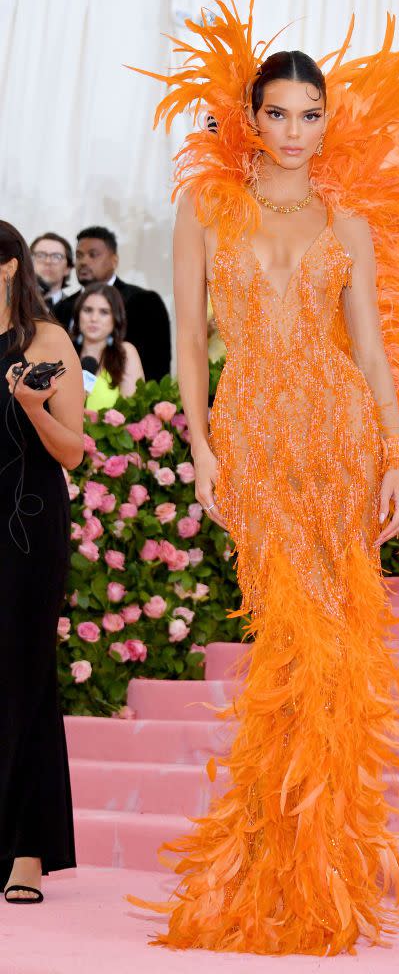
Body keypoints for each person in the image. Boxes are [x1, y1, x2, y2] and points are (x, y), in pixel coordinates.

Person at [125, 0, 399, 955]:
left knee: (340, 642)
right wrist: (197, 444)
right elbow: (189, 341)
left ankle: (318, 876)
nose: (291, 132)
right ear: (249, 115)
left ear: (327, 122)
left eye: (308, 115)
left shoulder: (344, 220)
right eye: (275, 113)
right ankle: (271, 866)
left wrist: (397, 454)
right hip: (254, 435)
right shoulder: (205, 207)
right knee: (290, 638)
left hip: (342, 434)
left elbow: (370, 351)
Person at [0, 220, 83, 903]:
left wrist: (31, 407)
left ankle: (28, 850)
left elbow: (72, 451)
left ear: (7, 267)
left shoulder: (45, 341)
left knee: (24, 673)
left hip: (25, 524)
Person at [58, 226, 171, 381]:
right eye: (79, 256)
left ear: (114, 260)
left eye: (93, 255)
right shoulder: (63, 307)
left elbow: (157, 366)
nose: (84, 262)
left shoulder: (144, 301)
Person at [71, 282, 145, 409]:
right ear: (78, 315)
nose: (94, 318)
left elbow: (133, 413)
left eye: (104, 312)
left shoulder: (125, 353)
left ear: (115, 318)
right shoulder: (65, 351)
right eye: (88, 310)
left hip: (112, 429)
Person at [29, 232, 74, 321]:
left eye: (56, 257)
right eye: (40, 255)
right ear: (29, 263)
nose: (48, 261)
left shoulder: (75, 308)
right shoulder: (12, 304)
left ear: (68, 268)